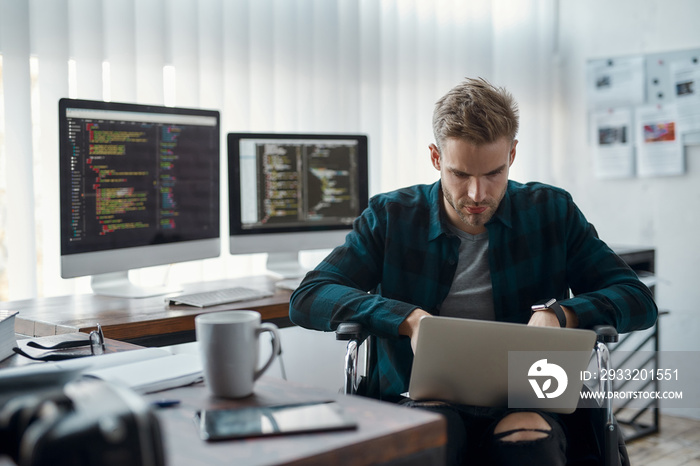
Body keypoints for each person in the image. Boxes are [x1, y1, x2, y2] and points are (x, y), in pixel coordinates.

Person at [289, 77, 657, 465]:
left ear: (512, 155)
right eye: (461, 175)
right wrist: (408, 320)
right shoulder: (391, 217)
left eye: (494, 173)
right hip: (422, 400)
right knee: (432, 440)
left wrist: (562, 315)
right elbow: (309, 297)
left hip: (527, 396)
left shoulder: (551, 212)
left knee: (532, 446)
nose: (477, 194)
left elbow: (636, 299)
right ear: (436, 158)